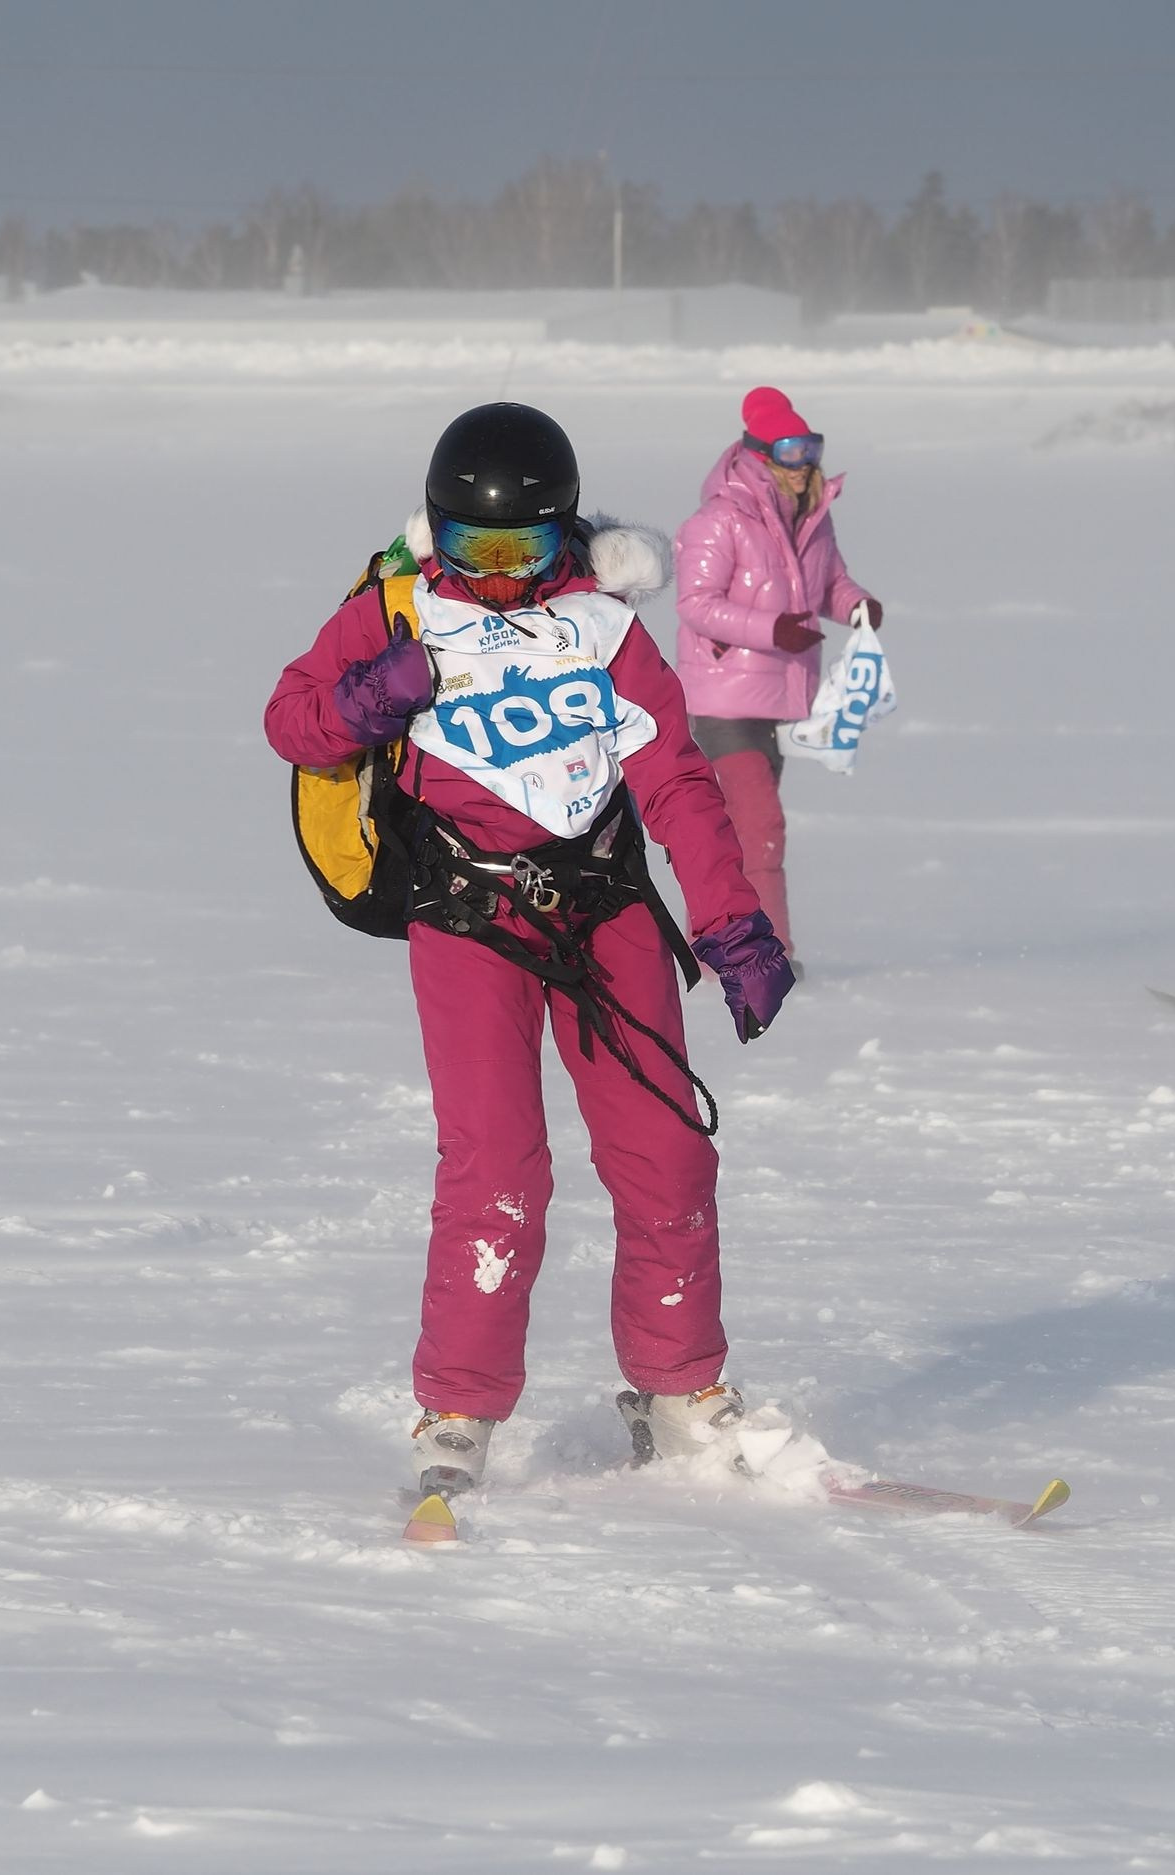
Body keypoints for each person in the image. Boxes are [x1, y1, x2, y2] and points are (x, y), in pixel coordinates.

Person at [263, 403, 795, 1498]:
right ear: (437, 531)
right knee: (496, 1169)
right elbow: (292, 723)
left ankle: (680, 1390)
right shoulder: (395, 610)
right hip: (467, 921)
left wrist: (731, 919)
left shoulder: (603, 625)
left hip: (604, 908)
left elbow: (676, 780)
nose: (502, 577)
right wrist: (371, 696)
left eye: (526, 551)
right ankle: (456, 1410)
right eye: (476, 550)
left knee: (668, 1152)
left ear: (567, 531)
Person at [673, 386, 882, 957]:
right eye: (791, 451)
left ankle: (726, 950)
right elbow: (695, 603)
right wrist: (773, 629)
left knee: (741, 833)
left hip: (781, 698)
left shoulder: (811, 517)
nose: (803, 463)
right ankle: (766, 956)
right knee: (759, 828)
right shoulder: (719, 520)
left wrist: (857, 607)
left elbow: (829, 584)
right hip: (721, 702)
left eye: (811, 448)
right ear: (759, 455)